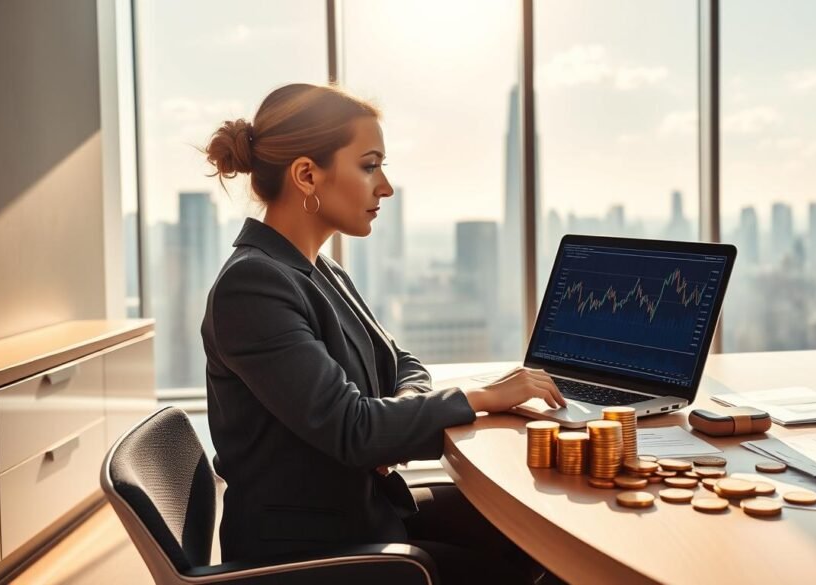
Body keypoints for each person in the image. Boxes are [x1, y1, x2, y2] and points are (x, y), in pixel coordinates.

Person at [200, 82, 566, 584]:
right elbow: (354, 430)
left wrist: (389, 431)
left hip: (361, 512)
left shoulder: (320, 270)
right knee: (534, 562)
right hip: (314, 553)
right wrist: (482, 397)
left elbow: (403, 365)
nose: (386, 187)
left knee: (533, 539)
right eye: (370, 166)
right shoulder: (253, 287)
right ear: (307, 175)